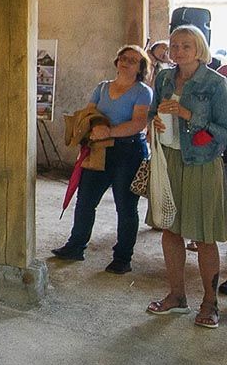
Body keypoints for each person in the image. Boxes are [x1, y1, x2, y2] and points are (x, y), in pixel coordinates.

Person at [144, 25, 227, 328]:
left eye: (186, 45)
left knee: (204, 237)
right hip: (169, 159)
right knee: (170, 229)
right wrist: (155, 122)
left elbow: (224, 132)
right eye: (174, 45)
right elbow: (152, 113)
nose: (178, 51)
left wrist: (186, 115)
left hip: (202, 164)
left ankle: (209, 302)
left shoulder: (216, 84)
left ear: (199, 49)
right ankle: (177, 296)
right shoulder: (164, 77)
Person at [51, 46, 151, 274]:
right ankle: (76, 246)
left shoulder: (142, 92)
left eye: (133, 60)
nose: (126, 63)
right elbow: (89, 113)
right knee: (86, 200)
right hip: (98, 149)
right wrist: (96, 126)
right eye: (123, 58)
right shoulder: (102, 87)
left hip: (128, 152)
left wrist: (109, 131)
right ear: (117, 62)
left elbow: (138, 123)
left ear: (140, 68)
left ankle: (123, 258)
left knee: (125, 206)